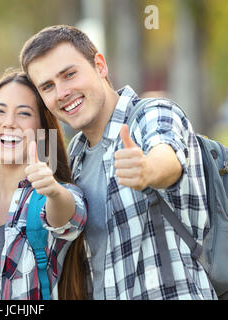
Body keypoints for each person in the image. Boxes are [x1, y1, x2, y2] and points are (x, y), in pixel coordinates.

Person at [19, 24, 217, 300]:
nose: (62, 92)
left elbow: (167, 156)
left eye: (70, 74)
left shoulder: (151, 113)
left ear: (100, 66)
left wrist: (147, 170)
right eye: (48, 86)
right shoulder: (76, 155)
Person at [0, 69, 87, 300]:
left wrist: (52, 191)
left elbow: (71, 218)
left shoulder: (54, 195)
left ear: (43, 131)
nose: (9, 123)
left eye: (23, 114)